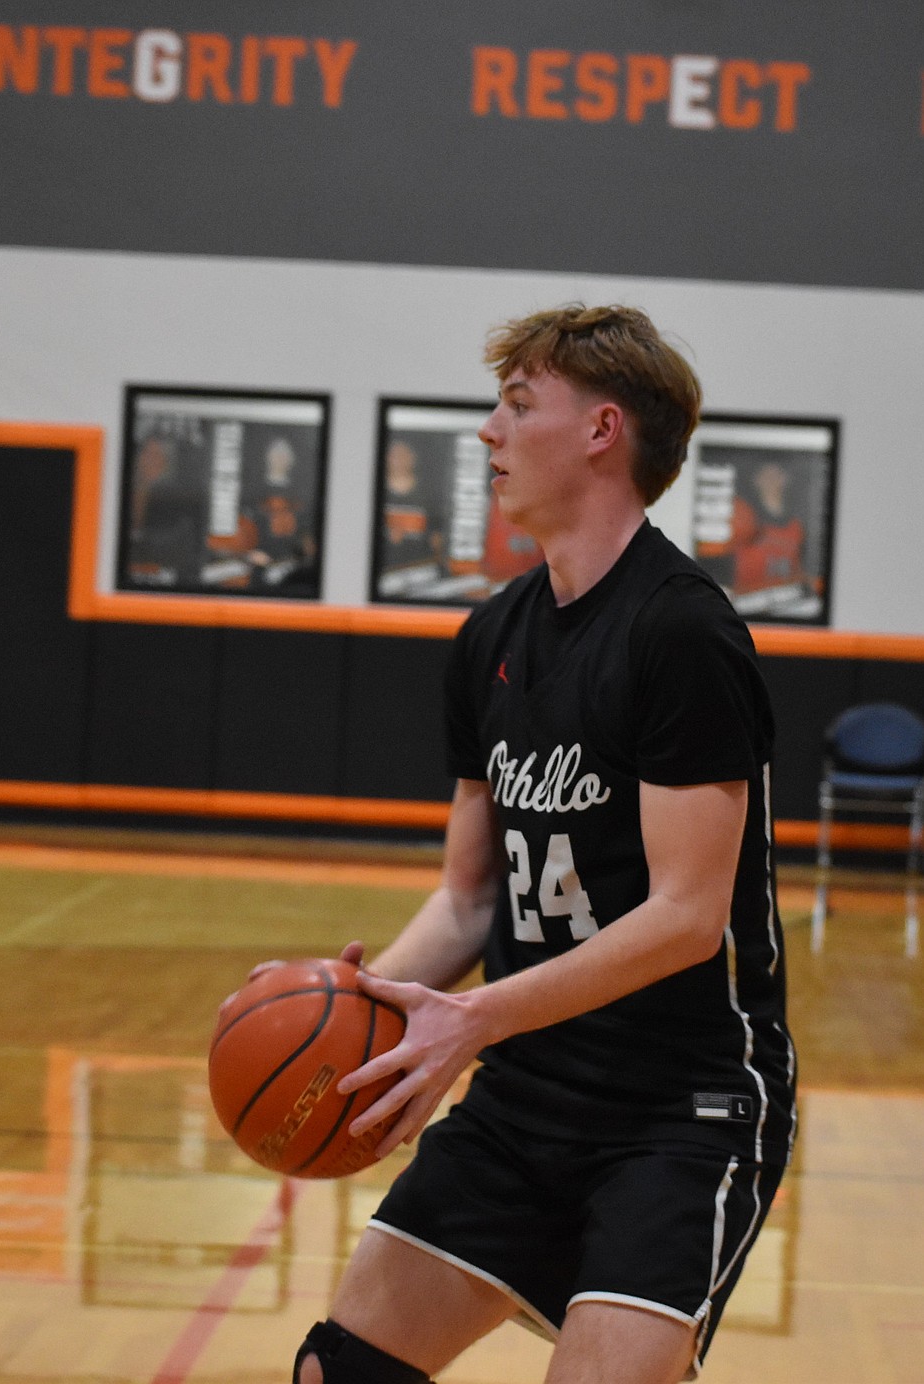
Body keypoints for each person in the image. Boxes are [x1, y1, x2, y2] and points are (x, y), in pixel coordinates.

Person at [286, 304, 796, 1384]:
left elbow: (686, 920)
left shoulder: (682, 632)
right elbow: (470, 902)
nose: (488, 433)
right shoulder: (491, 638)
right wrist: (357, 1004)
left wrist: (471, 1020)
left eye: (518, 405)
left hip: (683, 1106)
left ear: (603, 430)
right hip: (525, 1096)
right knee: (341, 1368)